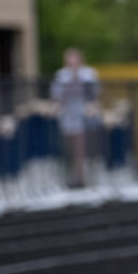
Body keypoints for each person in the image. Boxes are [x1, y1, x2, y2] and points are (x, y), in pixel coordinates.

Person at [50, 47, 101, 188]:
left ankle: (83, 178)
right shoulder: (61, 75)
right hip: (67, 116)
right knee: (68, 148)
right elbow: (56, 96)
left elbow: (94, 95)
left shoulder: (89, 74)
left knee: (81, 147)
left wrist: (91, 107)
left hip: (83, 116)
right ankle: (69, 177)